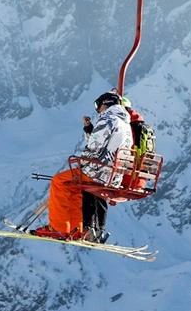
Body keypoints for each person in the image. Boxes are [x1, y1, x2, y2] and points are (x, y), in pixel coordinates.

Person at [32, 91, 135, 242]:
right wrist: (89, 129)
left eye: (98, 106)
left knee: (59, 181)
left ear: (105, 104)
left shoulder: (108, 119)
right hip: (112, 175)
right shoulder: (125, 124)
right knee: (74, 185)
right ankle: (77, 229)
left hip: (98, 172)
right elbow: (105, 147)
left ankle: (60, 229)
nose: (97, 110)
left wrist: (83, 161)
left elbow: (94, 147)